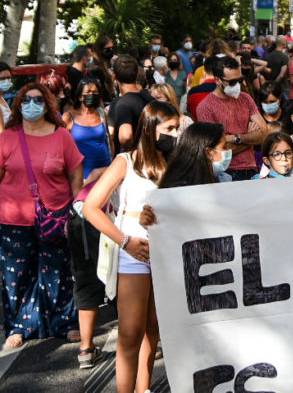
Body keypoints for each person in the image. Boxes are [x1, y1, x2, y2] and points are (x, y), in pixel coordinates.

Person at [83, 101, 179, 393]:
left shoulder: (174, 161)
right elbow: (91, 207)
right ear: (151, 130)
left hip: (166, 254)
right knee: (130, 333)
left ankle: (144, 389)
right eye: (170, 128)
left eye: (177, 128)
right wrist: (125, 242)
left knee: (153, 329)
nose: (175, 134)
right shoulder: (125, 161)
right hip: (134, 253)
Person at [0, 83, 83, 349]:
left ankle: (65, 322)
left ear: (47, 104)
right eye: (26, 100)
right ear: (18, 104)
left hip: (55, 217)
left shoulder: (61, 136)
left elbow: (75, 176)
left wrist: (77, 212)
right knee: (17, 275)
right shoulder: (8, 137)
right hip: (13, 219)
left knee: (57, 271)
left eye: (37, 99)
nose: (31, 104)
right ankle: (18, 325)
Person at [196, 56, 267, 181]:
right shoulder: (205, 107)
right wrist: (250, 137)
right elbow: (219, 153)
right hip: (225, 173)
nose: (237, 85)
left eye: (240, 80)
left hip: (251, 169)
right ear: (217, 80)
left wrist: (234, 138)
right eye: (232, 82)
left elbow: (264, 133)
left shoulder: (246, 98)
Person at [63, 78, 113, 179]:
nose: (91, 95)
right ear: (80, 97)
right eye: (88, 92)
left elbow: (109, 140)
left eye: (95, 92)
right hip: (81, 176)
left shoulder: (102, 114)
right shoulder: (69, 117)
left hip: (105, 172)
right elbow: (61, 147)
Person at [109, 54, 155, 154]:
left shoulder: (120, 103)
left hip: (131, 162)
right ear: (138, 74)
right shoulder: (151, 99)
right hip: (152, 157)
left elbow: (124, 136)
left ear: (114, 75)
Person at [159, 122, 229, 188]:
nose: (228, 151)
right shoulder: (180, 188)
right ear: (209, 152)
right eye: (224, 147)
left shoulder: (220, 178)